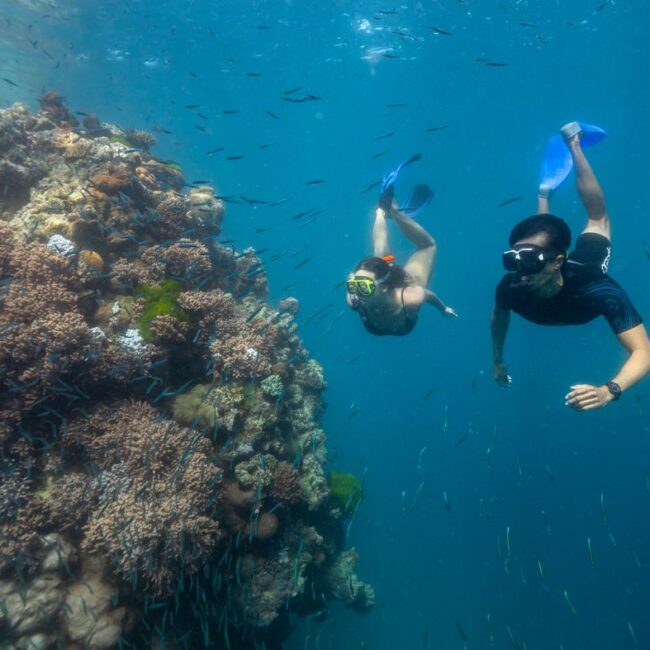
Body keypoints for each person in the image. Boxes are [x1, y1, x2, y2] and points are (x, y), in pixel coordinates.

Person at [492, 122, 650, 410]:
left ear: (558, 261)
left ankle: (574, 143)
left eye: (529, 263)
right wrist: (498, 359)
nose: (520, 271)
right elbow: (500, 316)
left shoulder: (597, 288)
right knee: (539, 237)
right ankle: (543, 194)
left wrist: (609, 391)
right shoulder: (511, 286)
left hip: (586, 261)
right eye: (512, 260)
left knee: (597, 218)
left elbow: (643, 352)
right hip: (556, 260)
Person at [346, 154, 457, 336]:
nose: (356, 292)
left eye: (363, 286)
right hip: (385, 277)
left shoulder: (409, 298)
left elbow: (428, 295)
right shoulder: (355, 299)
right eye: (353, 285)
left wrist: (443, 308)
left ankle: (391, 212)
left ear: (382, 287)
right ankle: (383, 211)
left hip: (408, 279)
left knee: (428, 246)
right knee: (380, 257)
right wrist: (356, 279)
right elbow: (358, 281)